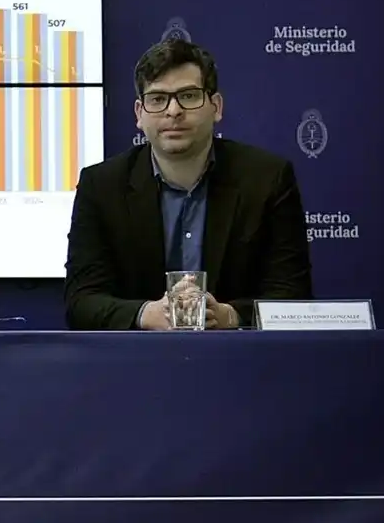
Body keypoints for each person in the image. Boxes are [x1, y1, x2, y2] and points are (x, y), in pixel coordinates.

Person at [63, 39, 312, 330]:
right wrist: (146, 314)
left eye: (189, 96)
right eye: (157, 99)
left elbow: (292, 296)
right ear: (139, 114)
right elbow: (81, 302)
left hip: (239, 361)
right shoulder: (101, 186)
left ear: (216, 107)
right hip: (134, 364)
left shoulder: (268, 179)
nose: (173, 111)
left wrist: (229, 316)